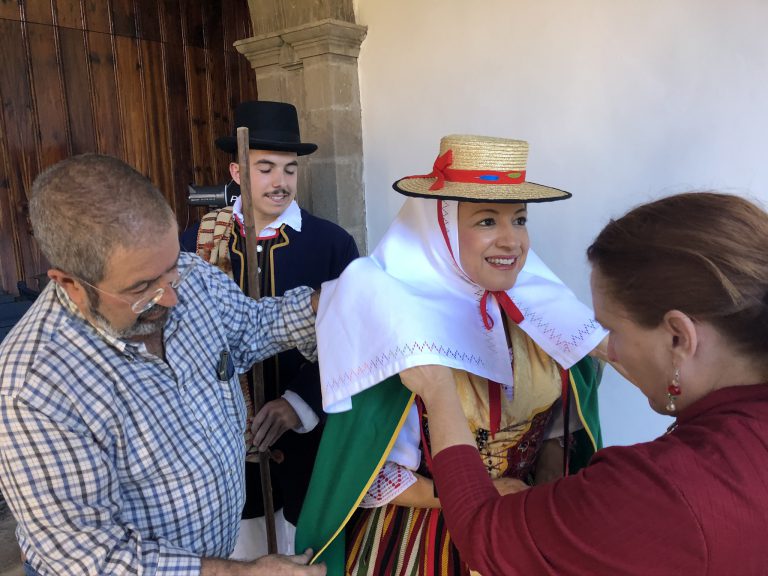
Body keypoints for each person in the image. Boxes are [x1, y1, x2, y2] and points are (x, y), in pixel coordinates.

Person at [399, 191, 768, 575]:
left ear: (679, 337)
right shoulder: (399, 329)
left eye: (520, 220)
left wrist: (439, 392)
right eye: (487, 221)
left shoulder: (661, 490)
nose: (611, 352)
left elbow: (485, 531)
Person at [0, 154, 326, 575]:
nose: (171, 297)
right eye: (141, 288)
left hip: (214, 553)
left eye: (169, 269)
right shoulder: (33, 389)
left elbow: (251, 327)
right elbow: (96, 561)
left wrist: (329, 304)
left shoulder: (191, 277)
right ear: (71, 285)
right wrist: (241, 572)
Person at [296, 135, 608, 574]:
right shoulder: (397, 321)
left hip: (523, 528)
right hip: (424, 536)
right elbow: (369, 473)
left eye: (519, 220)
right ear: (439, 229)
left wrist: (547, 492)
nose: (511, 240)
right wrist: (485, 493)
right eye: (486, 221)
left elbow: (561, 427)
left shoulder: (542, 318)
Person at [182, 100, 359, 559]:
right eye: (265, 168)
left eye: (289, 169)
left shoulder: (331, 244)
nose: (280, 182)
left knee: (304, 550)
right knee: (240, 552)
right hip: (223, 447)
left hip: (307, 442)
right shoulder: (196, 245)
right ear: (237, 172)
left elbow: (353, 340)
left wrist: (296, 405)